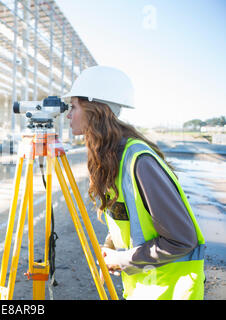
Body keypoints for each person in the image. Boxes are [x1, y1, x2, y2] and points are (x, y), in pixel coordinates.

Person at [62, 66, 205, 300]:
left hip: (172, 292)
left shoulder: (139, 162)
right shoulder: (111, 157)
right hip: (145, 290)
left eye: (73, 107)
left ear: (94, 110)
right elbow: (127, 216)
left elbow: (181, 239)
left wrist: (122, 260)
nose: (68, 115)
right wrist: (110, 246)